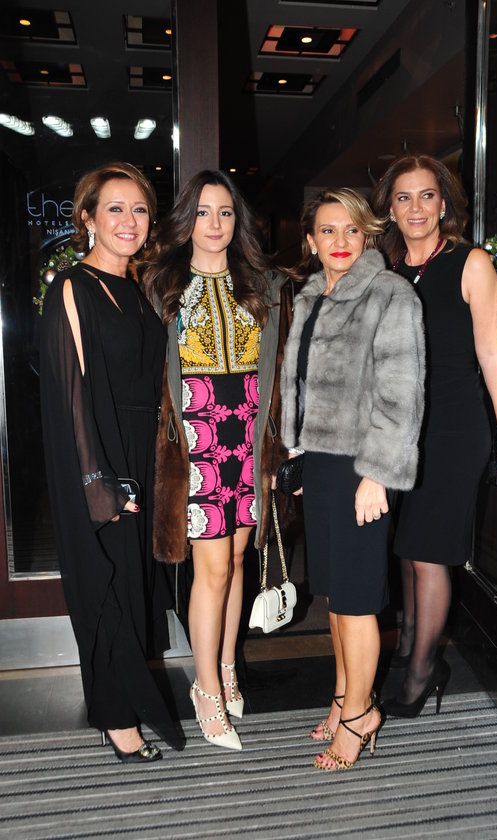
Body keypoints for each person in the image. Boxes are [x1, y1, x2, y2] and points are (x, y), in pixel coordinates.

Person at [372, 154, 497, 717]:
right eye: (404, 197)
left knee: (429, 552)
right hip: (401, 431)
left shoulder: (471, 263)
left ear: (444, 203)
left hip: (454, 427)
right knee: (407, 550)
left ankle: (422, 674)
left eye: (427, 196)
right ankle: (411, 649)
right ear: (390, 208)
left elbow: (491, 348)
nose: (415, 208)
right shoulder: (387, 268)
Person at [40, 162, 185, 762]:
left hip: (143, 453)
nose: (129, 221)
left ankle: (122, 703)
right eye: (115, 209)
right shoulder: (72, 287)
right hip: (101, 457)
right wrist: (99, 482)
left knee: (134, 586)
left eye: (139, 209)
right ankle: (117, 718)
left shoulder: (142, 288)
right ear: (88, 219)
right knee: (107, 586)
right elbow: (70, 392)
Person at [280, 188, 425, 770]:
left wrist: (378, 477)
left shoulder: (389, 293)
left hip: (363, 467)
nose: (340, 241)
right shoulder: (311, 296)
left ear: (367, 234)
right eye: (327, 230)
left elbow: (401, 394)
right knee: (337, 599)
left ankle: (361, 717)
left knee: (359, 600)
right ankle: (343, 699)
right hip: (320, 464)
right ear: (311, 240)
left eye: (351, 230)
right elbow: (298, 384)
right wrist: (297, 454)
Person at [142, 170, 286, 751]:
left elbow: (276, 372)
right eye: (203, 212)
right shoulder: (162, 286)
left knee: (239, 558)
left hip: (247, 436)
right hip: (197, 439)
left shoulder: (263, 284)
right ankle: (204, 690)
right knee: (213, 570)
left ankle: (226, 668)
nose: (215, 224)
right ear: (186, 220)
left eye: (225, 212)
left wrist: (275, 445)